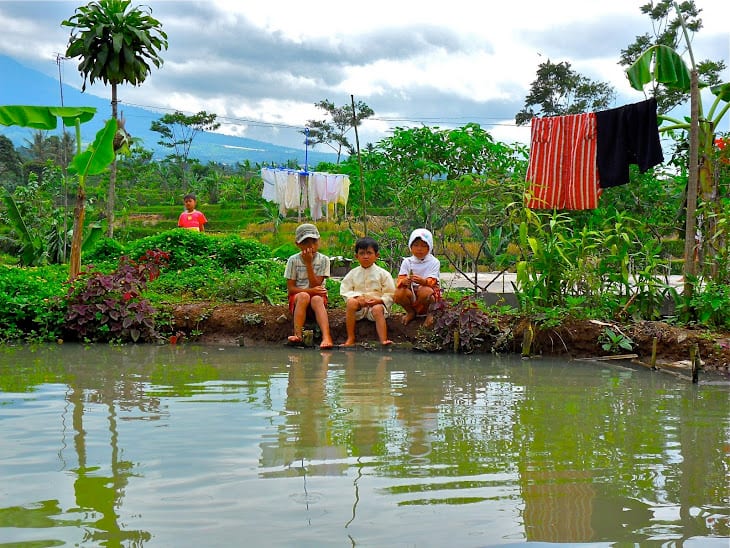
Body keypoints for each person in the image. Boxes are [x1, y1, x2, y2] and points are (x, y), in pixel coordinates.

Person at [284, 223, 334, 349]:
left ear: (319, 241)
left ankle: (326, 336)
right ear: (298, 244)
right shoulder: (293, 260)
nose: (311, 246)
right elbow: (291, 290)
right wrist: (311, 291)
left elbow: (316, 285)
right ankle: (297, 334)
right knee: (303, 296)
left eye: (314, 241)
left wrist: (308, 264)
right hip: (299, 300)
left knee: (316, 299)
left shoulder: (324, 260)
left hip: (317, 299)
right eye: (306, 242)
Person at [339, 237, 396, 347]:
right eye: (362, 253)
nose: (365, 256)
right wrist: (357, 298)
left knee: (377, 308)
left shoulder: (383, 274)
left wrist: (379, 300)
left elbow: (390, 293)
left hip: (377, 307)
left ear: (376, 255)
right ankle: (350, 338)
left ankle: (383, 339)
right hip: (359, 308)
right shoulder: (352, 273)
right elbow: (345, 290)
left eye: (369, 253)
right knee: (351, 303)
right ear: (356, 256)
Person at [393, 228, 441, 325]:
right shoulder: (407, 262)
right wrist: (404, 281)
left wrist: (423, 281)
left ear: (429, 247)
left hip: (428, 292)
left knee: (424, 291)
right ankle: (411, 312)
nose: (419, 249)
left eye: (423, 246)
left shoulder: (434, 262)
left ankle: (430, 313)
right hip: (412, 292)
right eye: (416, 245)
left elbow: (433, 280)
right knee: (398, 294)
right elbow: (400, 279)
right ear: (410, 246)